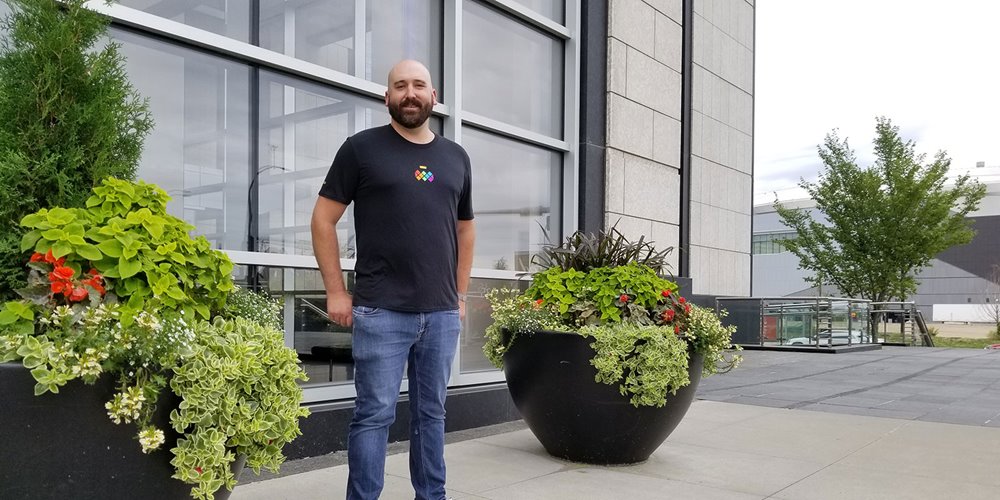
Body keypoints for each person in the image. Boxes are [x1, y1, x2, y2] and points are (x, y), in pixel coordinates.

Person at [310, 59, 475, 500]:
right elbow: (323, 220)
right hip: (380, 310)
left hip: (440, 313)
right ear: (387, 97)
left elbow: (465, 229)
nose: (410, 93)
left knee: (432, 415)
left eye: (419, 85)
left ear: (433, 97)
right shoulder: (361, 149)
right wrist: (335, 291)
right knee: (374, 414)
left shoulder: (456, 157)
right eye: (399, 86)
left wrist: (459, 295)